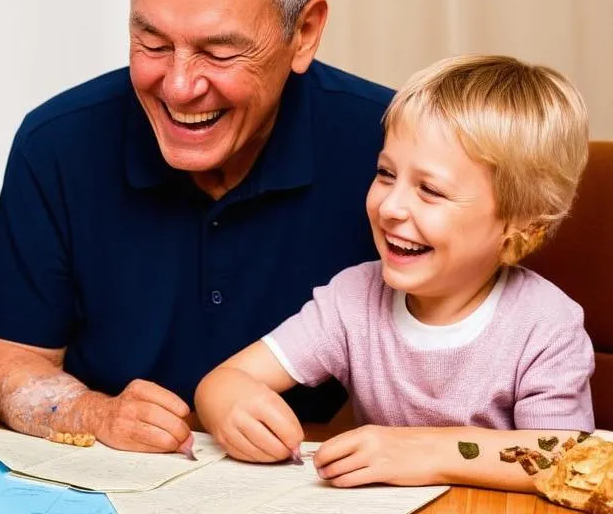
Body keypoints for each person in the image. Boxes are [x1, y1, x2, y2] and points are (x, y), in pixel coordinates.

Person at [0, 0, 393, 454]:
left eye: (219, 51)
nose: (180, 86)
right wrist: (95, 414)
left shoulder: (390, 145)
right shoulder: (58, 142)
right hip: (118, 481)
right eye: (153, 42)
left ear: (304, 33)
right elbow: (14, 359)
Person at [195, 55, 593, 489]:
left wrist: (428, 453)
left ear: (522, 224)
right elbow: (222, 381)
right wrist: (228, 402)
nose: (390, 207)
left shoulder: (547, 326)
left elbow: (564, 457)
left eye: (430, 190)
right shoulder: (352, 299)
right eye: (386, 173)